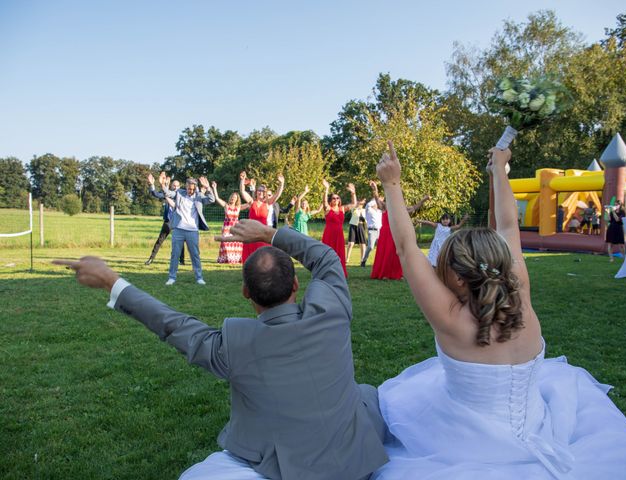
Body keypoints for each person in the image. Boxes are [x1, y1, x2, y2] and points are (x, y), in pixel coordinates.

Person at [371, 142, 626, 479]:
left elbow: (406, 247)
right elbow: (510, 227)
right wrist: (499, 168)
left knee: (400, 403)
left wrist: (392, 183)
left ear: (453, 275)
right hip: (539, 426)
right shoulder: (521, 296)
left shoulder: (451, 320)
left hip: (464, 444)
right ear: (501, 263)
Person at [53, 220, 388, 480]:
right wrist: (267, 233)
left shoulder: (234, 345)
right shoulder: (332, 309)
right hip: (357, 460)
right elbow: (326, 256)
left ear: (245, 292)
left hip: (290, 466)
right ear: (296, 285)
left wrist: (112, 280)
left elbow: (173, 324)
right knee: (367, 395)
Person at [160, 173, 215, 285]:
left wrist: (208, 188)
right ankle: (172, 277)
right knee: (175, 254)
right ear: (185, 186)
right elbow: (168, 193)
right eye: (188, 188)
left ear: (195, 188)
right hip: (178, 229)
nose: (190, 191)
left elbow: (212, 199)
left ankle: (199, 277)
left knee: (195, 255)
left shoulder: (199, 196)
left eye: (192, 189)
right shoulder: (179, 193)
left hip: (193, 231)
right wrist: (162, 184)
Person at [369, 181, 430, 280]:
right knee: (386, 253)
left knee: (396, 253)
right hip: (386, 233)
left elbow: (414, 207)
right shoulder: (385, 206)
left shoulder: (400, 208)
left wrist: (424, 200)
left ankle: (397, 274)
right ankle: (385, 274)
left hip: (395, 233)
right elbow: (377, 199)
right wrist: (375, 189)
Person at [239, 172, 284, 263]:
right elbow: (242, 191)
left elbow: (277, 195)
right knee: (250, 256)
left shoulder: (267, 203)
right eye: (259, 190)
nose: (260, 192)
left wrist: (281, 183)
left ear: (265, 193)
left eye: (263, 191)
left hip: (262, 233)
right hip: (250, 232)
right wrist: (242, 180)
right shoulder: (252, 202)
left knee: (263, 255)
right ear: (256, 192)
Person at [321, 179, 357, 277]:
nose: (336, 199)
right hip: (329, 234)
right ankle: (326, 272)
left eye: (337, 198)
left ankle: (339, 272)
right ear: (331, 200)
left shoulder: (342, 209)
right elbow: (324, 202)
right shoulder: (328, 209)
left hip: (339, 235)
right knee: (328, 253)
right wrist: (326, 189)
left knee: (339, 253)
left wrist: (353, 193)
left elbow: (354, 204)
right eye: (333, 198)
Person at [146, 175, 185, 266]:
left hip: (178, 222)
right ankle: (151, 258)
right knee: (159, 241)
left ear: (179, 187)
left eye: (177, 186)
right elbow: (155, 194)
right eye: (173, 185)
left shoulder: (182, 196)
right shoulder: (167, 194)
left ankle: (181, 261)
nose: (175, 187)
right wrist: (152, 185)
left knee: (180, 242)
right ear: (171, 186)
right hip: (168, 222)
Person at [211, 182, 251, 264]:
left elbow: (250, 203)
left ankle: (236, 259)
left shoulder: (239, 207)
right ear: (230, 198)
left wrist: (249, 188)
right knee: (226, 243)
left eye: (235, 197)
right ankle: (226, 258)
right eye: (232, 197)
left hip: (235, 228)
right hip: (226, 228)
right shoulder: (226, 206)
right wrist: (215, 188)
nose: (233, 198)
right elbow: (217, 198)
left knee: (236, 243)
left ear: (237, 199)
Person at [361, 187, 384, 267]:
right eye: (381, 198)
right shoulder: (369, 206)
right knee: (370, 247)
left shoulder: (381, 209)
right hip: (372, 230)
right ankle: (364, 260)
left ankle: (380, 263)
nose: (382, 200)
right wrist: (376, 200)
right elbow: (371, 205)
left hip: (380, 230)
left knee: (381, 248)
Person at [346, 199, 367, 264]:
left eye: (361, 203)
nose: (360, 204)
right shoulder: (354, 209)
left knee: (363, 244)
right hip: (353, 225)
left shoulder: (365, 210)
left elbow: (366, 219)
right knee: (350, 244)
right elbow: (354, 205)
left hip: (361, 226)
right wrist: (357, 203)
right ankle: (347, 259)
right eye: (359, 202)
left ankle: (362, 260)